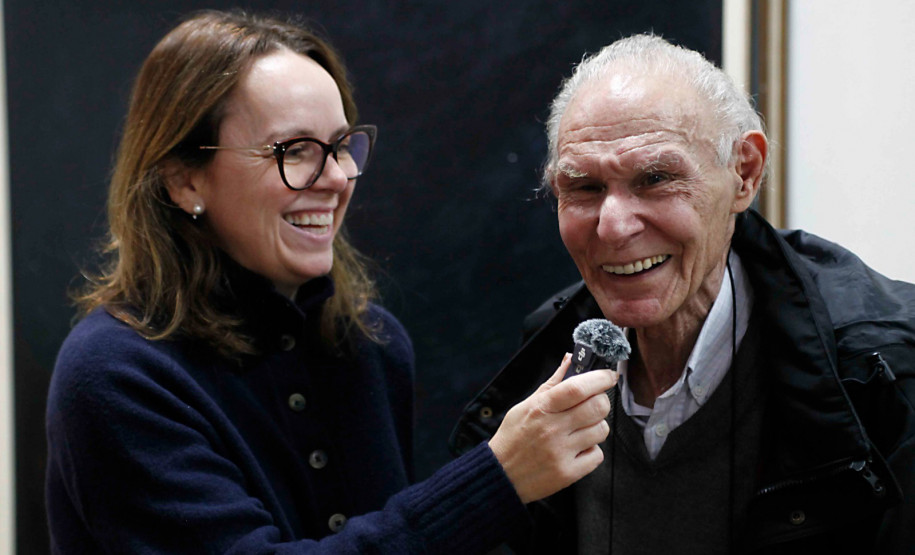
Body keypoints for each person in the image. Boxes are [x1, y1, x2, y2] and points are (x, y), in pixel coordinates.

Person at [45, 10, 617, 554]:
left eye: (342, 146)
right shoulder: (115, 376)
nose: (338, 177)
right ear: (183, 181)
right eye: (294, 151)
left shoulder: (370, 346)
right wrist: (497, 480)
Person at [451, 34, 915, 554]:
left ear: (744, 173)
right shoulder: (548, 352)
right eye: (584, 187)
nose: (613, 226)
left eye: (655, 179)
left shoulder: (883, 370)